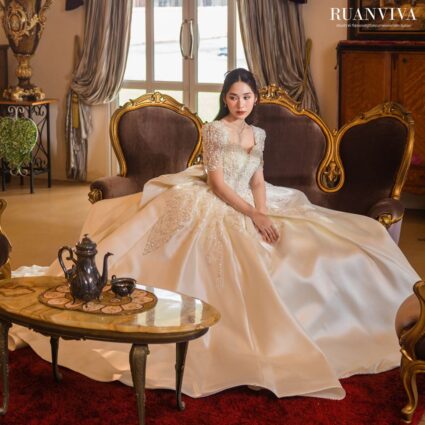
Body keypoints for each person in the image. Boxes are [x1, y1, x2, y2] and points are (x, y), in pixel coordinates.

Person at [13, 68, 420, 399]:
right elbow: (219, 185)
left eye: (247, 97)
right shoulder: (214, 131)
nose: (240, 104)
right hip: (216, 199)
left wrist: (263, 213)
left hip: (254, 200)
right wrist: (250, 214)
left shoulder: (258, 134)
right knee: (214, 250)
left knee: (321, 236)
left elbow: (257, 179)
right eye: (233, 97)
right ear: (225, 99)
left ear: (255, 99)